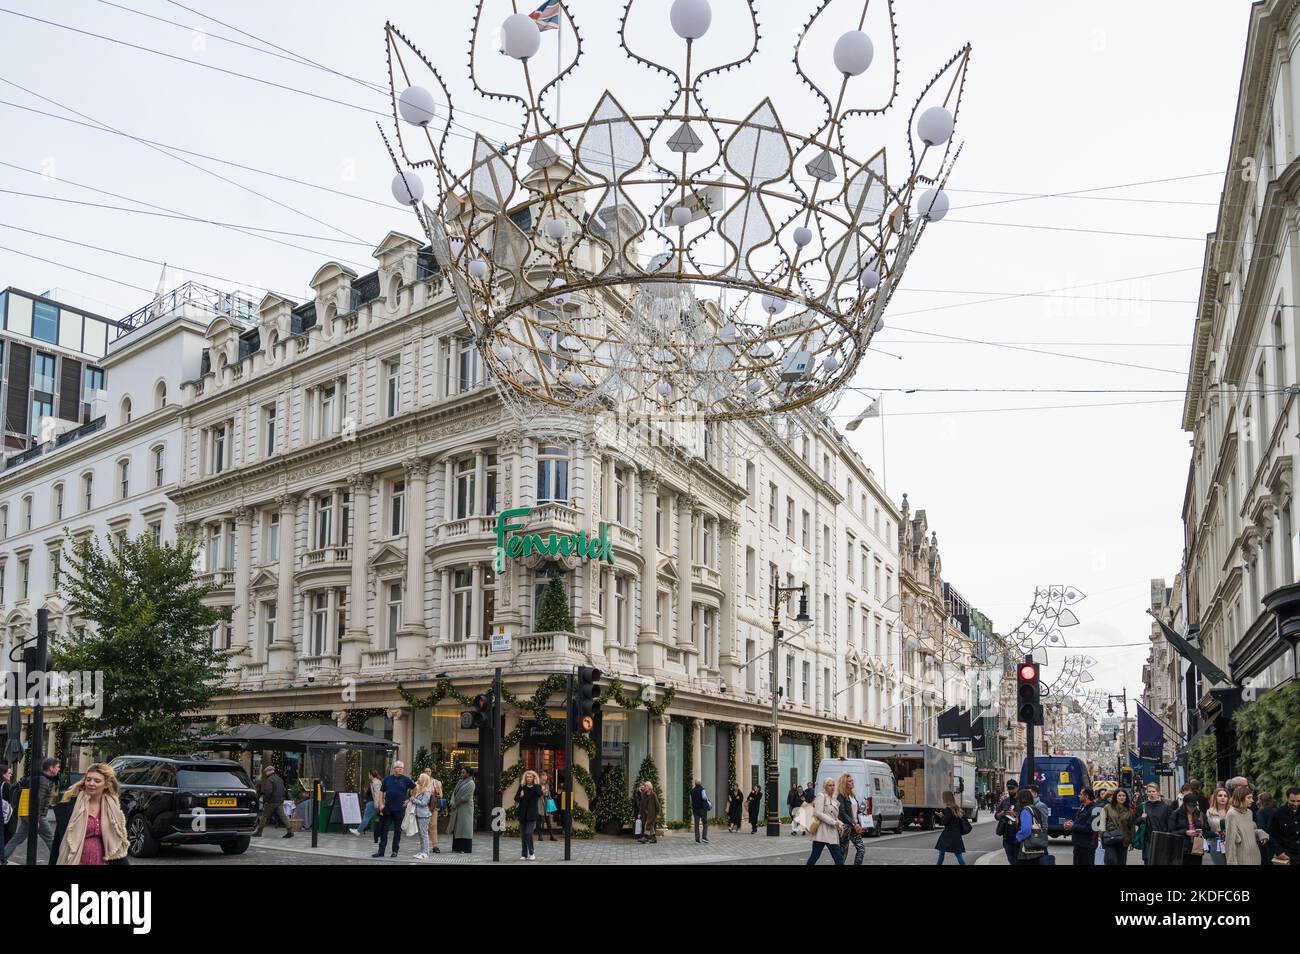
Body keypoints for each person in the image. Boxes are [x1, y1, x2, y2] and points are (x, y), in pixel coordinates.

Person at [48, 763, 128, 867]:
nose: (91, 783)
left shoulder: (115, 808)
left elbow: (118, 842)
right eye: (88, 779)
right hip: (75, 861)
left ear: (107, 784)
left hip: (104, 861)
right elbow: (58, 841)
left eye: (97, 781)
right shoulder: (70, 807)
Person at [4, 757, 60, 862]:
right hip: (35, 815)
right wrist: (36, 819)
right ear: (51, 768)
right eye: (57, 767)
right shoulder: (43, 780)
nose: (59, 769)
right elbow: (37, 801)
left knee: (17, 839)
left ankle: (2, 857)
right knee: (50, 839)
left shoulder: (40, 778)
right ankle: (58, 860)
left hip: (27, 813)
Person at [373, 760, 415, 858]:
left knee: (397, 831)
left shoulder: (406, 779)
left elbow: (415, 788)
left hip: (399, 809)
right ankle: (381, 851)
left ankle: (395, 851)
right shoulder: (387, 779)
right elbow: (381, 792)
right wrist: (381, 804)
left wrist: (410, 799)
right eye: (398, 767)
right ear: (394, 769)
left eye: (402, 768)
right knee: (384, 830)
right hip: (387, 809)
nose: (400, 769)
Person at [806, 777, 845, 865]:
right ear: (825, 786)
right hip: (821, 832)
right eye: (829, 785)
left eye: (833, 785)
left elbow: (834, 816)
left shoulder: (833, 798)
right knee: (814, 856)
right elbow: (818, 813)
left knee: (838, 858)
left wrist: (839, 823)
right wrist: (834, 822)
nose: (832, 787)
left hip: (831, 833)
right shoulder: (821, 796)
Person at [1166, 786, 1207, 866]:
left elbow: (1205, 830)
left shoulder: (1200, 815)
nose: (1192, 808)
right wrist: (1185, 832)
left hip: (1196, 849)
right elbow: (1170, 832)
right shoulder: (1176, 814)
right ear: (1184, 804)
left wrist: (1200, 833)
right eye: (1190, 806)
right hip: (1181, 849)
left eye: (1194, 806)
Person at [1226, 784, 1263, 865]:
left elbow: (1250, 831)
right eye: (1249, 798)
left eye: (1252, 798)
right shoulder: (1232, 814)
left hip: (1255, 855)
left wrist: (1261, 833)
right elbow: (1230, 840)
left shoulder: (1249, 812)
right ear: (1240, 798)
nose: (1252, 800)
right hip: (1242, 857)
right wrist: (1231, 862)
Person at [253, 764, 293, 839]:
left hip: (271, 802)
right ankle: (290, 831)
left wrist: (265, 800)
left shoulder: (270, 779)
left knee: (264, 816)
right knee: (283, 816)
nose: (265, 773)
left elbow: (268, 791)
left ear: (269, 772)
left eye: (266, 772)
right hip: (279, 801)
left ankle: (259, 832)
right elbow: (283, 790)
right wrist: (282, 799)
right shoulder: (280, 779)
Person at [1137, 782, 1172, 865]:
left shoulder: (1165, 807)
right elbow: (1135, 822)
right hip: (1147, 841)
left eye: (1153, 791)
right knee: (1148, 861)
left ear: (1158, 792)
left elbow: (1170, 824)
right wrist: (1141, 818)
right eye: (1149, 792)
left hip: (1162, 840)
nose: (1151, 794)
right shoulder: (1142, 806)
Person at [837, 773, 866, 865]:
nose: (852, 782)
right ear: (845, 783)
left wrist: (862, 811)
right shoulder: (841, 796)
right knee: (843, 853)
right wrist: (853, 823)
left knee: (861, 849)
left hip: (854, 827)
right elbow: (842, 813)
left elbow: (854, 811)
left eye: (852, 780)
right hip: (846, 827)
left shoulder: (852, 795)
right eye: (850, 781)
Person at [514, 769, 543, 861]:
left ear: (534, 778)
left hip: (532, 814)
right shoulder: (522, 786)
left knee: (528, 833)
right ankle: (524, 854)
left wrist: (536, 784)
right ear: (525, 778)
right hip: (522, 814)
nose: (529, 778)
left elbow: (539, 794)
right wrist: (521, 796)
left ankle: (531, 852)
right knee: (523, 835)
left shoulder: (536, 787)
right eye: (527, 777)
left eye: (530, 777)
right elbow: (516, 799)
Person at [1102, 787, 1136, 866]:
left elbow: (1131, 826)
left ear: (1126, 797)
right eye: (1119, 795)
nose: (1121, 797)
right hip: (1110, 838)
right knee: (1111, 861)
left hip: (1123, 840)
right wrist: (1102, 835)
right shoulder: (1107, 807)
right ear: (1115, 797)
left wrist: (1132, 842)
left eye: (1124, 795)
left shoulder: (1129, 810)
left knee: (1121, 862)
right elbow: (1102, 823)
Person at [1064, 787, 1098, 866]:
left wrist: (1072, 826)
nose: (1079, 796)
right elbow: (1080, 821)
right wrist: (1070, 824)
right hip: (1078, 844)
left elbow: (1089, 828)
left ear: (1086, 796)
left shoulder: (1095, 809)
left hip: (1087, 845)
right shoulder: (1082, 806)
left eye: (1080, 794)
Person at [1266, 786, 1299, 865]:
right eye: (1292, 801)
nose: (1296, 804)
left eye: (1298, 801)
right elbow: (1270, 834)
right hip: (1286, 856)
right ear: (1287, 798)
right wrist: (1279, 852)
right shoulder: (1278, 813)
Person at [934, 790, 968, 865]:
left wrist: (941, 816)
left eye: (943, 797)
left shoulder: (948, 809)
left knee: (941, 853)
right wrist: (944, 816)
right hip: (957, 835)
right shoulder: (957, 808)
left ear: (946, 798)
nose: (942, 799)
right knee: (959, 855)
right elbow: (954, 820)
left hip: (948, 834)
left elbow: (945, 822)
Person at [1013, 789, 1046, 865]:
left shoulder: (1026, 810)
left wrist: (1018, 837)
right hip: (1036, 846)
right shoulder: (1034, 808)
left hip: (1028, 848)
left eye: (1018, 798)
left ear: (1022, 799)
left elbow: (1026, 830)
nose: (1017, 800)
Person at [351, 769, 383, 840]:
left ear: (371, 775)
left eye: (369, 774)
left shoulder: (376, 782)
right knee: (375, 818)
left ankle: (358, 831)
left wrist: (377, 804)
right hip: (373, 803)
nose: (368, 776)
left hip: (372, 803)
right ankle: (379, 833)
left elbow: (378, 793)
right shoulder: (375, 782)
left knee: (366, 817)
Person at [449, 767, 476, 853]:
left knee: (465, 827)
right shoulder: (460, 782)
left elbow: (466, 797)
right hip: (458, 808)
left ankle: (465, 848)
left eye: (463, 773)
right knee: (458, 827)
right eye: (461, 772)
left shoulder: (471, 783)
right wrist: (452, 802)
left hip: (465, 809)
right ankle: (457, 847)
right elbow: (454, 793)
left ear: (468, 774)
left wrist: (455, 804)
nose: (461, 774)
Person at [995, 780, 1021, 865]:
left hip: (1019, 836)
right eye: (1009, 789)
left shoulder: (1021, 801)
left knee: (1017, 860)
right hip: (1007, 836)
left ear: (1017, 788)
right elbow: (996, 816)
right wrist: (1003, 813)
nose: (1010, 791)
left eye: (1012, 789)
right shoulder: (1005, 801)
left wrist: (1016, 816)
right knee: (1011, 860)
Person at [409, 772, 434, 860]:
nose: (418, 779)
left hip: (424, 815)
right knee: (421, 834)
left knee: (424, 834)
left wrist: (414, 800)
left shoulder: (427, 791)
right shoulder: (420, 789)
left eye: (420, 778)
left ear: (423, 780)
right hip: (419, 814)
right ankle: (422, 851)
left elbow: (424, 803)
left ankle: (425, 853)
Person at [1205, 786, 1230, 866]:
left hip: (1232, 843)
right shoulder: (1209, 812)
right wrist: (1215, 833)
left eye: (1225, 796)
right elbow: (1205, 832)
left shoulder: (1232, 811)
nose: (1223, 798)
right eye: (1220, 795)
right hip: (1216, 843)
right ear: (1215, 798)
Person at [1256, 792, 1278, 864]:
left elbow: (1261, 828)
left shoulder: (1261, 812)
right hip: (1276, 842)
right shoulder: (1277, 810)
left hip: (1266, 842)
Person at [689, 778, 712, 844]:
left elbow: (691, 801)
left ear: (695, 784)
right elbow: (704, 798)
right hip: (702, 809)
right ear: (700, 783)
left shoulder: (692, 791)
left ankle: (697, 839)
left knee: (696, 824)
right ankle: (704, 837)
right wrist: (708, 803)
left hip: (695, 809)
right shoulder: (702, 790)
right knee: (705, 823)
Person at [538, 771, 558, 842]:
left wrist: (546, 793)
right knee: (540, 821)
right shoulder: (537, 785)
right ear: (540, 778)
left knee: (548, 821)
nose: (544, 781)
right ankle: (540, 836)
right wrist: (542, 792)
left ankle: (551, 836)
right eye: (543, 779)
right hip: (539, 804)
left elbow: (548, 794)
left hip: (546, 804)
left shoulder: (547, 786)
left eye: (545, 779)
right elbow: (537, 794)